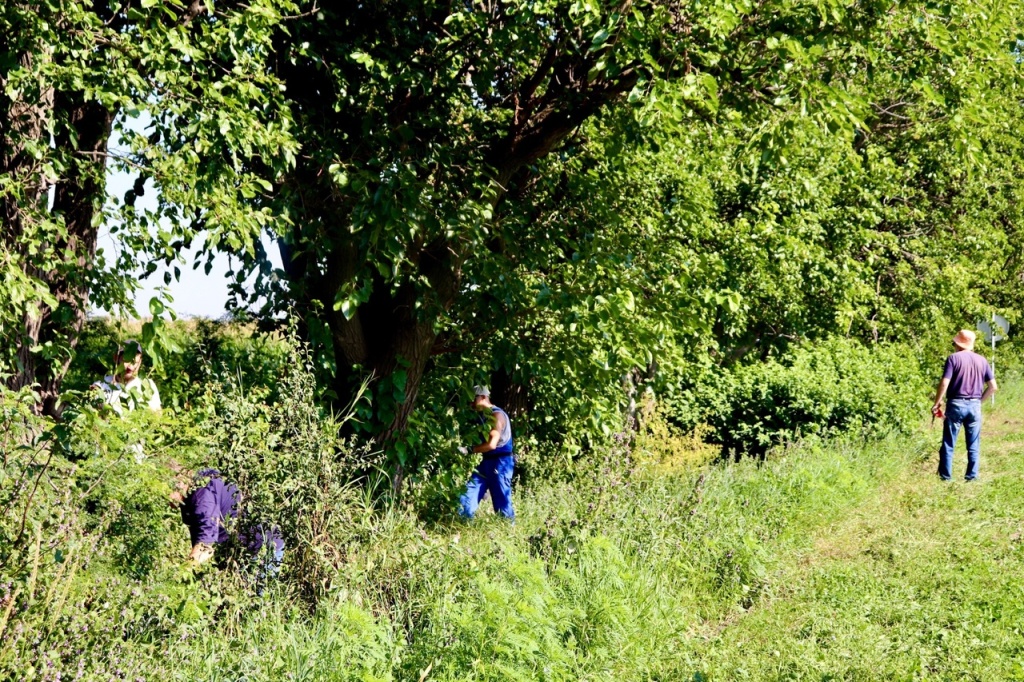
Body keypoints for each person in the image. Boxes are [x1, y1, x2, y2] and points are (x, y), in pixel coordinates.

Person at [169, 465, 284, 585]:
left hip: (262, 550)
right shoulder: (196, 484)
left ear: (180, 482)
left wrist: (179, 579)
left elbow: (205, 547)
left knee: (260, 600)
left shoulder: (203, 497)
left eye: (167, 492)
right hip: (237, 552)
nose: (165, 500)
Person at [931, 329, 998, 481]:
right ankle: (972, 477)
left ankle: (945, 477)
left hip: (956, 404)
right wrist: (979, 402)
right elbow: (993, 386)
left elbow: (945, 382)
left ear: (958, 344)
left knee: (949, 442)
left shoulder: (953, 359)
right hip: (974, 406)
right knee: (973, 443)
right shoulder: (982, 360)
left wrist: (937, 402)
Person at [459, 385, 515, 520]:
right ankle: (461, 525)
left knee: (502, 504)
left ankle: (508, 533)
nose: (471, 404)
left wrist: (469, 450)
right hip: (487, 462)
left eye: (473, 399)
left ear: (483, 397)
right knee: (467, 495)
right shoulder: (483, 417)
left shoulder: (497, 415)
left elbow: (491, 444)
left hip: (500, 463)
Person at [91, 339, 161, 415]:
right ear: (116, 358)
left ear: (140, 362)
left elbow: (158, 417)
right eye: (127, 361)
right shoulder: (101, 385)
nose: (130, 367)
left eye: (135, 363)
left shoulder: (147, 386)